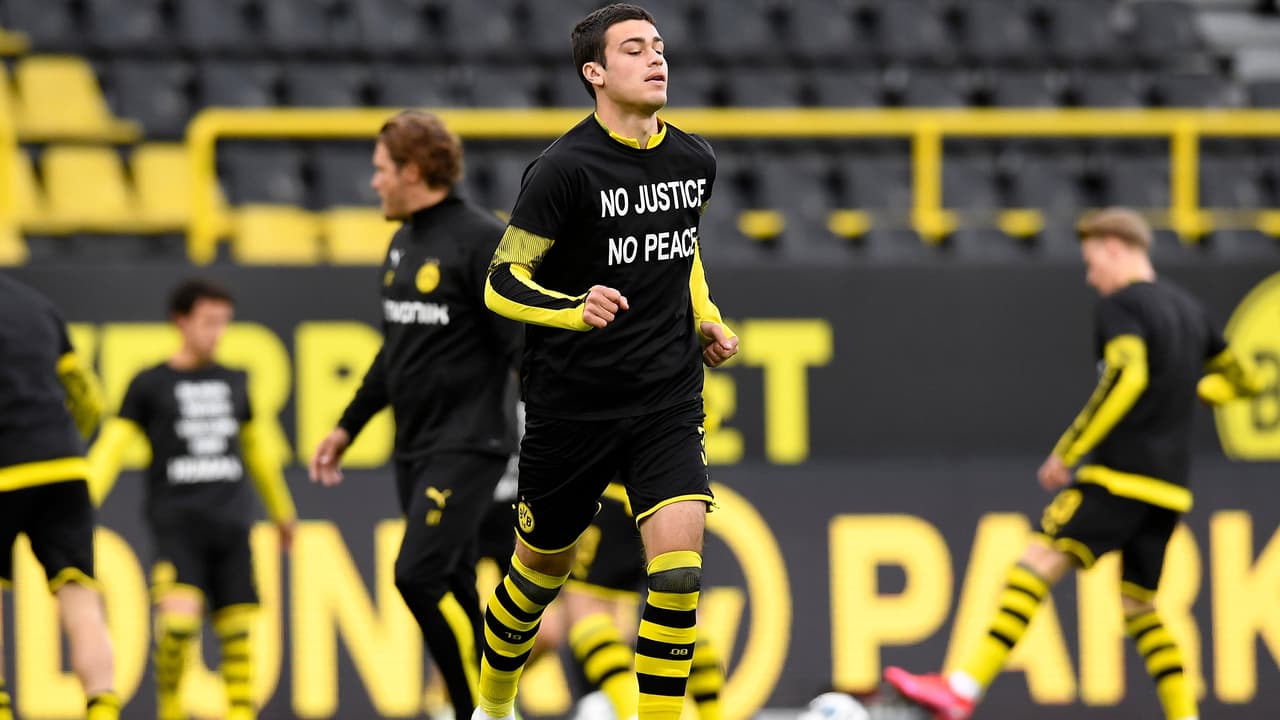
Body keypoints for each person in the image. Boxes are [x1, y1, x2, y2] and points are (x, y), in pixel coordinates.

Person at [884, 208, 1268, 720]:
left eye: (1092, 262)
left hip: (1118, 476)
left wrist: (1067, 450)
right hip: (1169, 490)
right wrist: (1205, 389)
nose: (1091, 277)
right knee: (1140, 608)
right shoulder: (1191, 311)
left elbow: (1125, 376)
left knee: (1037, 561)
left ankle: (962, 687)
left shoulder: (1123, 306)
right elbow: (1248, 380)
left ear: (1114, 246)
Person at [474, 5, 739, 720]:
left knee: (679, 578)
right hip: (572, 406)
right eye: (634, 49)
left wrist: (706, 319)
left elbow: (681, 253)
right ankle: (493, 709)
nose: (656, 59)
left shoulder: (694, 160)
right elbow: (501, 281)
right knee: (534, 581)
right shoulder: (562, 170)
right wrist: (571, 308)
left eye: (658, 46)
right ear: (596, 73)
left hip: (666, 398)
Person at [308, 110, 523, 720]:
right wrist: (348, 426)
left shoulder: (483, 242)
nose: (373, 183)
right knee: (450, 582)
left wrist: (552, 438)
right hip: (415, 447)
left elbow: (522, 352)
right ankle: (497, 707)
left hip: (470, 444)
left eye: (381, 170)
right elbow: (394, 352)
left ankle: (477, 710)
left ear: (414, 170)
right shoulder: (402, 241)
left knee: (417, 574)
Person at [88, 278, 295, 720]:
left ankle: (241, 714)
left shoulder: (234, 380)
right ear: (180, 322)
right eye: (208, 322)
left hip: (233, 523)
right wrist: (81, 501)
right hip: (178, 523)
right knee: (178, 625)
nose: (217, 333)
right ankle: (172, 708)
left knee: (238, 633)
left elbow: (257, 448)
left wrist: (283, 512)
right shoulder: (149, 383)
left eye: (223, 323)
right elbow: (112, 446)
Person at [0, 275, 120, 720]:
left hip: (4, 469)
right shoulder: (37, 304)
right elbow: (89, 397)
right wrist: (69, 445)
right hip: (64, 466)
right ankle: (102, 708)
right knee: (81, 601)